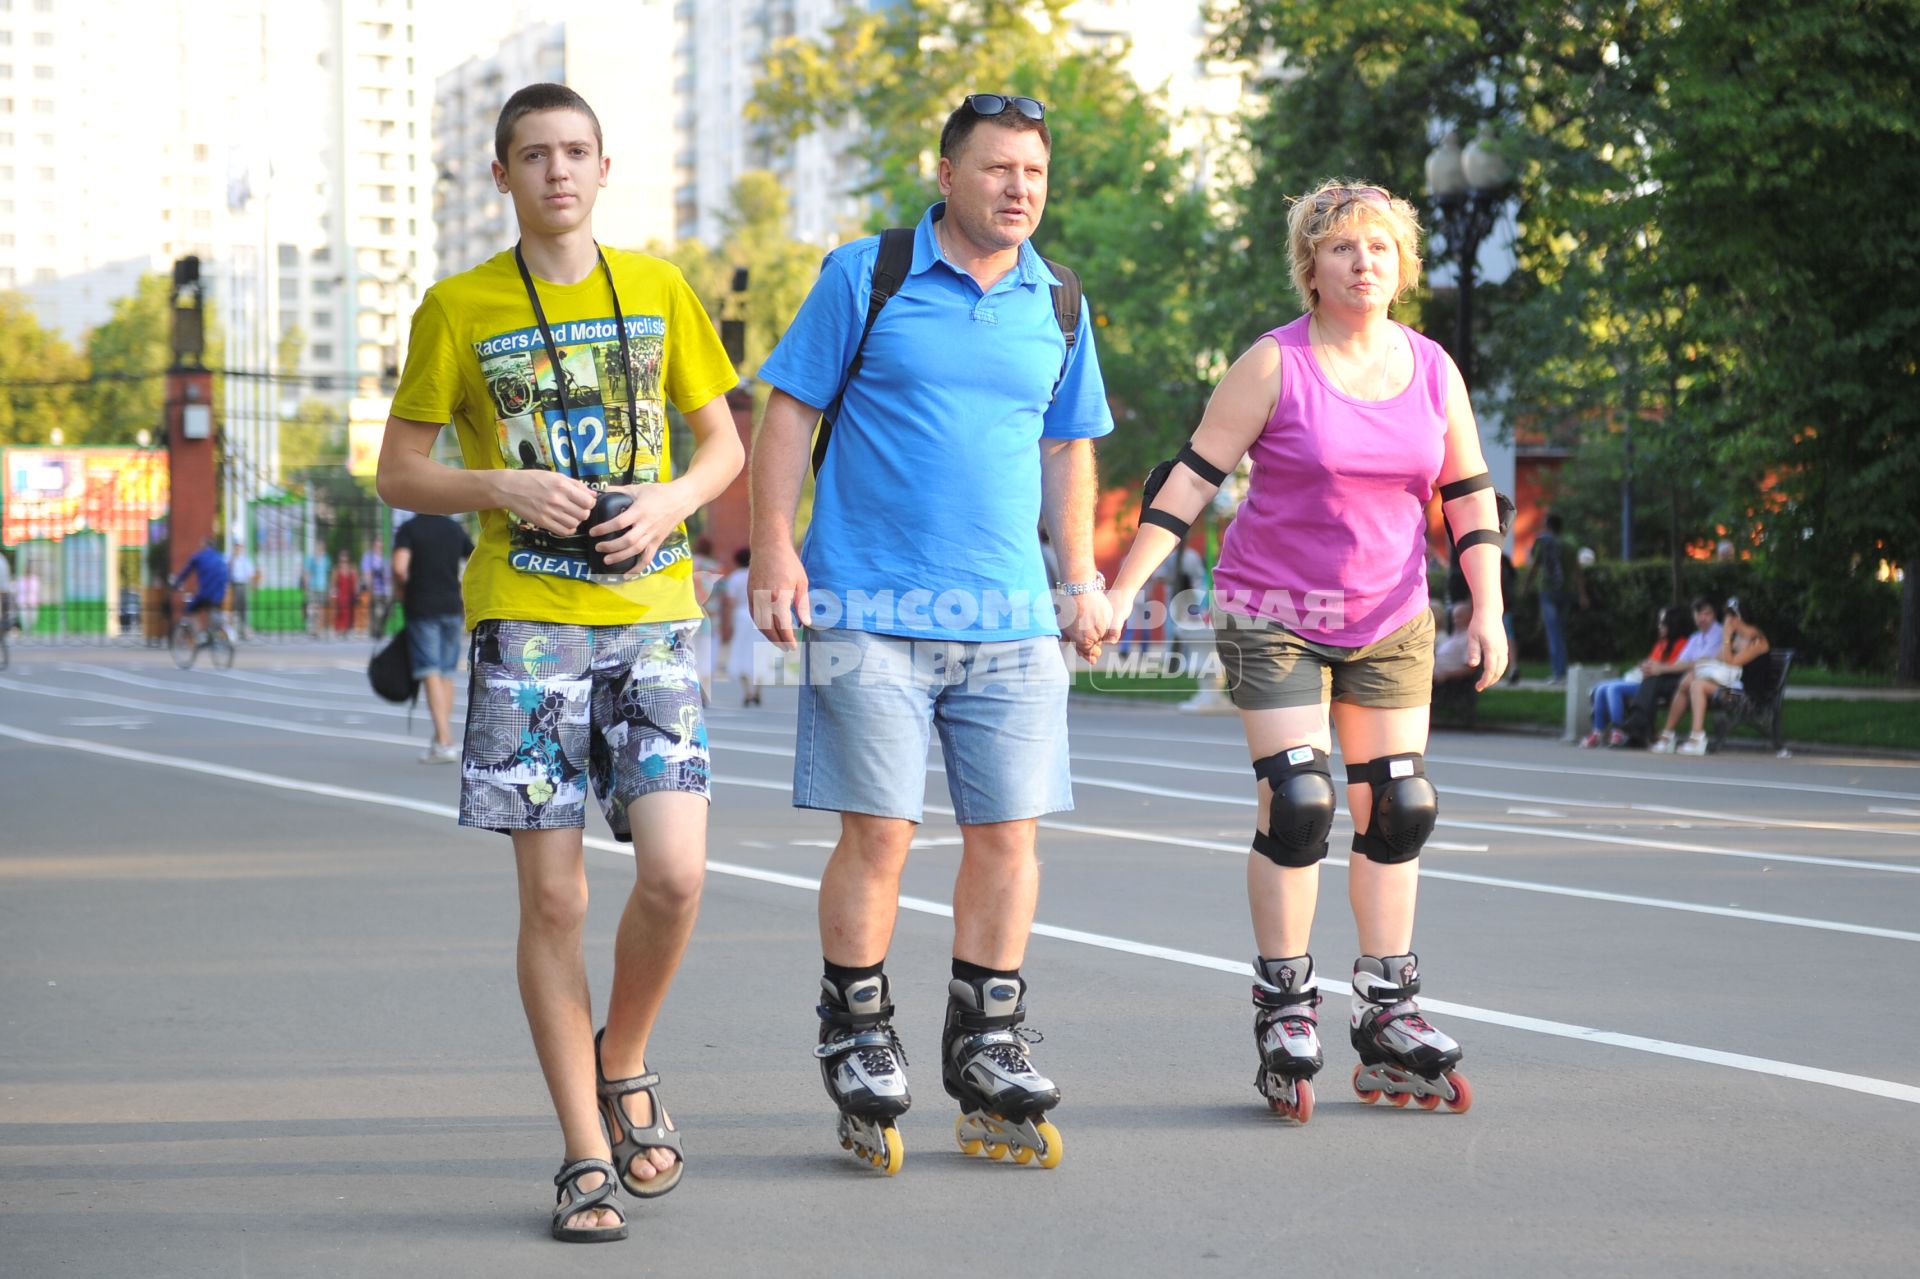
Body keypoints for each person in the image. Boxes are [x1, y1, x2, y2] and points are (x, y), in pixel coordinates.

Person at [374, 82, 744, 1243]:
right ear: (502, 176)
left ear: (602, 163)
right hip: (526, 624)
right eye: (533, 155)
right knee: (556, 894)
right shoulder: (459, 306)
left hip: (650, 616)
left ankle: (621, 1055)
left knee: (676, 874)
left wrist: (677, 497)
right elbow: (397, 469)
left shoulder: (660, 288)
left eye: (576, 151)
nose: (557, 172)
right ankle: (586, 1146)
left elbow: (724, 437)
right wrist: (501, 483)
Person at [751, 93, 1112, 1173]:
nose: (1018, 189)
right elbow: (788, 413)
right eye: (997, 168)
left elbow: (1067, 447)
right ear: (946, 172)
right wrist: (776, 548)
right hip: (868, 606)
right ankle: (858, 1032)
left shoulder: (1058, 299)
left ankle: (987, 1038)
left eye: (1034, 175)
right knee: (882, 833)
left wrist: (1081, 576)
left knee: (1011, 834)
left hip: (1007, 616)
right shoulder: (869, 272)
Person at [1102, 179, 1507, 1122]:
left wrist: (1487, 609)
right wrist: (1125, 587)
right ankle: (1286, 1004)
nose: (1363, 262)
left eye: (1379, 248)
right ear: (1311, 269)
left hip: (1392, 611)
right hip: (1272, 605)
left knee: (1399, 805)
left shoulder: (1435, 369)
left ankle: (1389, 1010)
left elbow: (1470, 494)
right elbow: (1191, 478)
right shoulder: (1273, 364)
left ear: (1403, 268)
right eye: (1342, 249)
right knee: (1299, 801)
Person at [391, 513, 474, 763]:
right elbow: (474, 557)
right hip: (451, 606)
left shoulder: (409, 529)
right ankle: (441, 737)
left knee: (430, 671)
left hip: (422, 607)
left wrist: (403, 586)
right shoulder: (453, 528)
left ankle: (445, 740)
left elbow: (399, 567)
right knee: (446, 673)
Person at [1652, 596, 1773, 755]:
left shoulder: (1758, 640)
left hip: (1749, 695)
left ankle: (1697, 739)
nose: (1728, 620)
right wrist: (1698, 670)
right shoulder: (1737, 638)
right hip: (1734, 688)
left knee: (1698, 685)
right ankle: (1667, 736)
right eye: (1727, 615)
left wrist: (1726, 638)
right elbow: (1718, 659)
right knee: (1688, 681)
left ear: (1741, 618)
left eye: (1732, 615)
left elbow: (1731, 662)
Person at [1579, 605, 1690, 748]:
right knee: (1600, 687)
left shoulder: (1682, 644)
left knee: (1614, 689)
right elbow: (1652, 662)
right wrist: (1644, 665)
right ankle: (1597, 731)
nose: (1659, 626)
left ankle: (1617, 730)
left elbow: (1670, 666)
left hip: (1651, 684)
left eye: (1663, 623)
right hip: (1643, 678)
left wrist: (1652, 668)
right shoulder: (1662, 644)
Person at [1618, 596, 1723, 746]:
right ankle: (1639, 728)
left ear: (1714, 615)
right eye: (1698, 614)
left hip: (1704, 681)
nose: (1702, 618)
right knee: (1652, 679)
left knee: (1660, 678)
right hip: (1685, 680)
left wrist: (1661, 668)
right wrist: (1655, 668)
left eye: (1707, 614)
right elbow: (1681, 662)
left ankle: (1639, 728)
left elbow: (1701, 663)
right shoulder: (1695, 638)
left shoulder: (1719, 634)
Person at [1521, 512, 1585, 683]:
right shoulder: (1570, 545)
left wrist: (1525, 588)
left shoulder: (1543, 543)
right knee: (1560, 631)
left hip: (1547, 591)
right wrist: (1582, 594)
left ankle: (1559, 672)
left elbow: (1534, 567)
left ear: (1548, 526)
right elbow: (1577, 571)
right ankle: (1562, 669)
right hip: (1566, 590)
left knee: (1553, 632)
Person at [718, 547, 761, 707]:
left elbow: (729, 603)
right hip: (759, 616)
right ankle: (757, 690)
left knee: (741, 653)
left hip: (741, 617)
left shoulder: (735, 578)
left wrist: (727, 625)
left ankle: (747, 691)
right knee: (757, 653)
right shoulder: (759, 574)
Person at [171, 536, 231, 642]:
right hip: (219, 595)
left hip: (205, 594)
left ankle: (200, 637)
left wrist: (176, 584)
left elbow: (186, 572)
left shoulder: (199, 557)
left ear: (204, 546)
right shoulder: (221, 557)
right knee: (213, 611)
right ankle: (214, 634)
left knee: (190, 610)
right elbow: (227, 575)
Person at [688, 536, 724, 705]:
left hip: (688, 614)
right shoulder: (715, 568)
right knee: (707, 655)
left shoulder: (686, 563)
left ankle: (692, 690)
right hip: (711, 616)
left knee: (689, 653)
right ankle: (704, 691)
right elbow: (722, 594)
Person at [229, 540, 259, 639]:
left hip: (242, 585)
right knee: (233, 609)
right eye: (236, 547)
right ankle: (233, 631)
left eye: (239, 547)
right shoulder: (230, 558)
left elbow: (250, 574)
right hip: (233, 585)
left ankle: (244, 630)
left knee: (243, 608)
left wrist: (253, 586)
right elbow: (226, 571)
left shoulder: (245, 560)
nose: (237, 549)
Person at [361, 543, 391, 638]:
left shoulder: (385, 558)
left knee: (388, 611)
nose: (379, 547)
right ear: (374, 545)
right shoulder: (368, 557)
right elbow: (366, 573)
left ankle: (379, 630)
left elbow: (389, 574)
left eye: (381, 545)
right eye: (377, 545)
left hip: (386, 590)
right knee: (377, 611)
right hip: (375, 589)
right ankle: (376, 632)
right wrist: (370, 587)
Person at [330, 550, 359, 635]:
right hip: (341, 594)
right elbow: (333, 584)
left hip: (350, 594)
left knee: (349, 611)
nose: (344, 558)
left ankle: (347, 628)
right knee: (341, 611)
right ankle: (340, 629)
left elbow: (356, 581)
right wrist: (333, 594)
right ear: (339, 558)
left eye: (345, 556)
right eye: (342, 556)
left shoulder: (353, 568)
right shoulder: (336, 569)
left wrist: (357, 593)